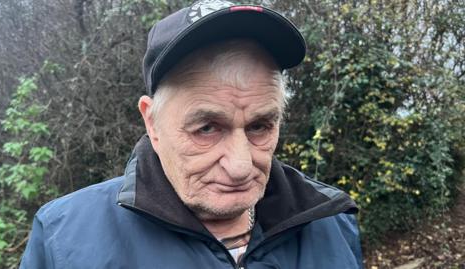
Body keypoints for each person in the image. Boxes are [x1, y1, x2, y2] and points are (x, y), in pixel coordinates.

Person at [20, 0, 363, 268]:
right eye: (207, 128)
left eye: (259, 126)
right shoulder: (63, 239)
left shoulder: (332, 226)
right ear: (151, 122)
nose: (241, 166)